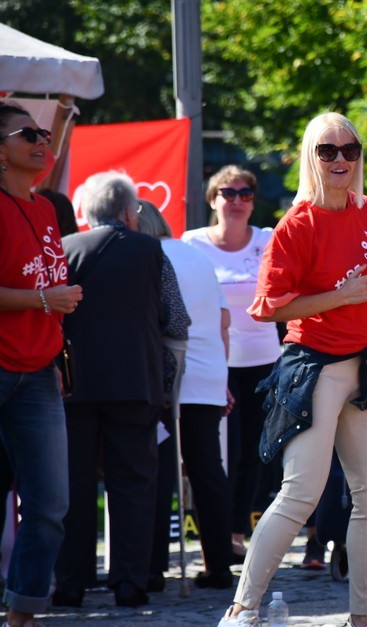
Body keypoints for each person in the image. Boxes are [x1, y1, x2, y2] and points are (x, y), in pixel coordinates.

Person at [218, 112, 367, 627]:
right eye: (328, 151)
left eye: (350, 149)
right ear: (311, 156)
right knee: (301, 491)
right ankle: (242, 608)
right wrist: (337, 296)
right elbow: (267, 306)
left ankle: (365, 618)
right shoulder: (296, 225)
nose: (341, 159)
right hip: (315, 366)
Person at [57, 171, 190, 609]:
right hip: (137, 382)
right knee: (133, 483)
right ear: (128, 213)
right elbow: (175, 319)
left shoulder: (65, 250)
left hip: (76, 387)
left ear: (88, 212)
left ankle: (70, 582)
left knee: (73, 485)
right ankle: (129, 582)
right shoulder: (152, 251)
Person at [0, 101, 82, 627]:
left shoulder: (48, 208)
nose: (41, 141)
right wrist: (42, 301)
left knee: (51, 505)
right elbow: (41, 291)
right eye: (27, 133)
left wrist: (52, 342)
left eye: (45, 134)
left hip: (38, 375)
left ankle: (23, 614)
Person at [182, 166, 282, 562]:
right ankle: (214, 536)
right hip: (211, 364)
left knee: (251, 453)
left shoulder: (268, 239)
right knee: (214, 455)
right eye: (229, 192)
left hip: (264, 362)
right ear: (213, 199)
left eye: (245, 193)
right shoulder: (192, 243)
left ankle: (236, 533)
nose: (237, 200)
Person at [137, 200, 236, 591]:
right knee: (208, 471)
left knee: (158, 469)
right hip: (209, 373)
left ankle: (153, 566)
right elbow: (224, 320)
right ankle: (220, 564)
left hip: (167, 376)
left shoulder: (149, 255)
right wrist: (222, 374)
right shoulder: (196, 256)